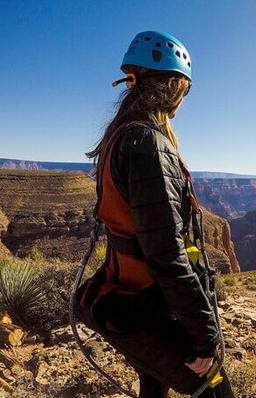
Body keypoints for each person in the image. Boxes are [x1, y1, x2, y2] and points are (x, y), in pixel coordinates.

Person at [81, 31, 234, 398]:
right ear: (172, 84)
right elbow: (165, 252)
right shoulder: (148, 143)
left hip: (126, 296)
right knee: (213, 390)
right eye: (186, 88)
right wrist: (204, 335)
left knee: (153, 382)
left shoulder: (120, 135)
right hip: (147, 304)